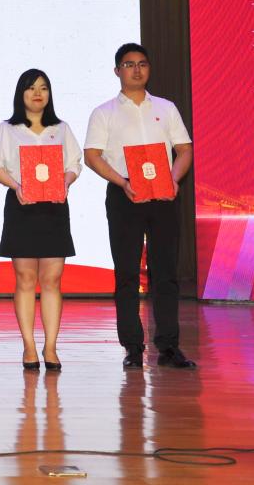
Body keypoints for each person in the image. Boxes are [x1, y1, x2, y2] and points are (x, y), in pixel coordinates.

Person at [84, 43, 195, 370]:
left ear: (149, 69)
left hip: (163, 196)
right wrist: (122, 182)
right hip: (125, 196)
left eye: (142, 64)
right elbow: (92, 156)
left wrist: (173, 179)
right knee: (127, 273)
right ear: (117, 71)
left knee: (166, 273)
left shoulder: (165, 107)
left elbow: (184, 149)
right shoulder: (104, 112)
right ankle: (132, 347)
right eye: (129, 64)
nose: (136, 70)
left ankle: (169, 346)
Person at [0, 69, 81, 371]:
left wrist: (65, 183)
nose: (37, 94)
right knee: (25, 279)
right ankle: (28, 345)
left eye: (43, 88)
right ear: (20, 93)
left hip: (54, 208)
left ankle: (50, 346)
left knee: (52, 280)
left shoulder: (61, 128)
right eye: (31, 88)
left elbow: (74, 163)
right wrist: (16, 186)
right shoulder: (7, 129)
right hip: (22, 206)